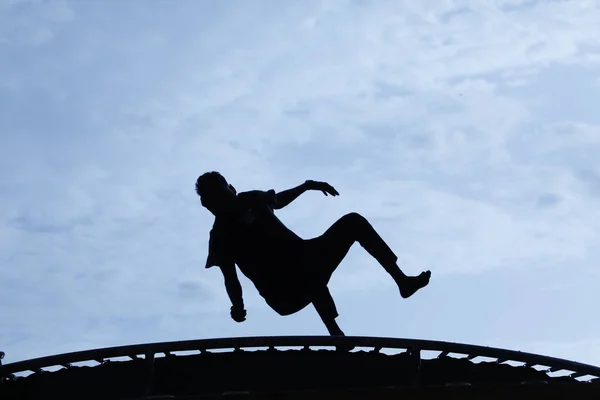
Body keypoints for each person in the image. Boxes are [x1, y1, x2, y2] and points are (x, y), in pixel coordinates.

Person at [195, 171, 431, 338]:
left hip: (305, 258)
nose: (222, 204)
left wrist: (306, 186)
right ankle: (334, 330)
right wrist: (237, 305)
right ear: (207, 206)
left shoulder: (251, 199)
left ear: (232, 190)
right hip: (282, 292)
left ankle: (402, 281)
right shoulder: (220, 236)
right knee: (299, 264)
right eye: (214, 201)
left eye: (223, 195)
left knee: (353, 222)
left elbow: (277, 200)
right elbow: (230, 277)